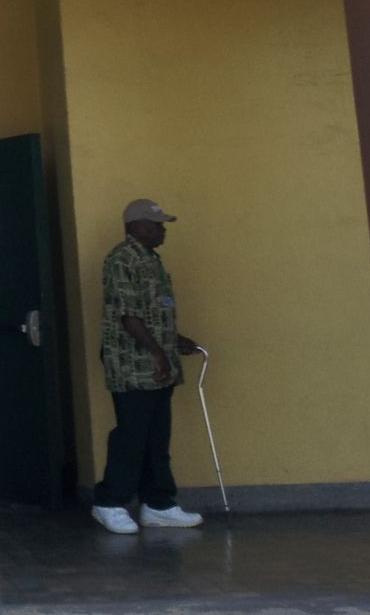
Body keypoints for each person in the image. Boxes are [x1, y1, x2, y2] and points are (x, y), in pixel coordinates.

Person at [90, 197, 205, 533]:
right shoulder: (122, 259)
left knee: (156, 439)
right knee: (131, 437)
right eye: (155, 225)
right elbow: (128, 316)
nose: (162, 230)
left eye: (162, 225)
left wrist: (174, 341)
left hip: (157, 366)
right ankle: (110, 502)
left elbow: (151, 313)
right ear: (134, 226)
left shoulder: (151, 259)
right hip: (134, 366)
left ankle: (158, 504)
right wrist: (157, 353)